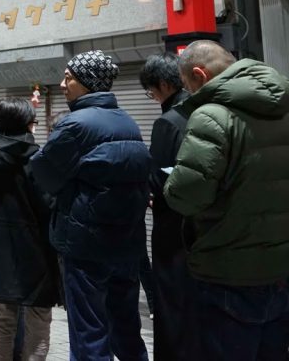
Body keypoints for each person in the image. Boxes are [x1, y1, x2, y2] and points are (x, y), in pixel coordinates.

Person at [163, 41, 289, 360]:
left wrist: (171, 185)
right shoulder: (284, 105)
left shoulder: (212, 116)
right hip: (281, 269)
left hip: (229, 272)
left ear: (199, 74)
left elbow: (186, 197)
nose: (188, 93)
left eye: (187, 85)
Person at [30, 50, 150, 361]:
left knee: (89, 331)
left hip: (85, 244)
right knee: (126, 327)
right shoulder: (128, 121)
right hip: (127, 241)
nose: (62, 84)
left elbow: (43, 172)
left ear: (87, 81)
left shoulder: (75, 125)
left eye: (68, 78)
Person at [0, 98, 59, 361]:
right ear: (28, 124)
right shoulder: (36, 158)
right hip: (36, 249)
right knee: (38, 318)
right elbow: (48, 205)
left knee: (2, 319)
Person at [138, 53, 195, 360]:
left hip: (174, 232)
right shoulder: (205, 111)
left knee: (173, 309)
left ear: (163, 84)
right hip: (207, 231)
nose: (153, 97)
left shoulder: (168, 122)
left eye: (151, 92)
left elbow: (159, 182)